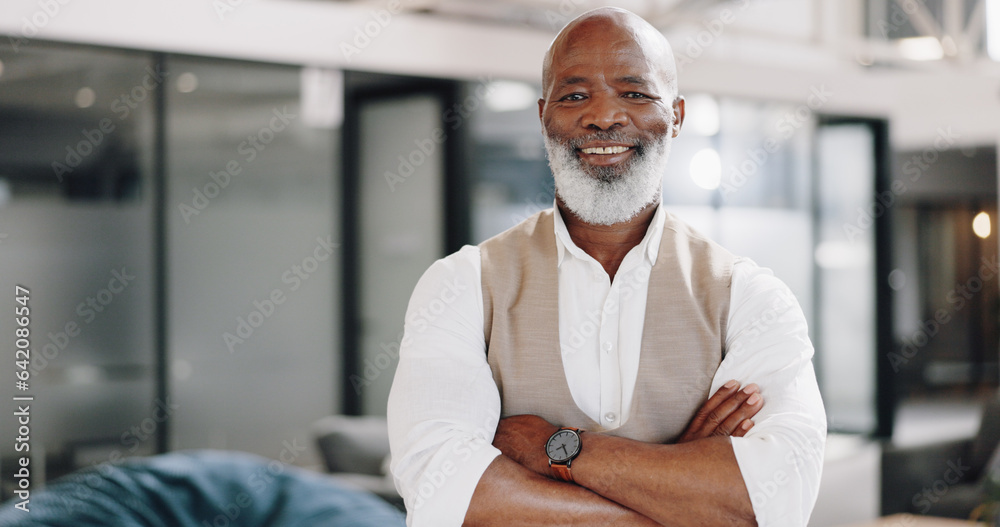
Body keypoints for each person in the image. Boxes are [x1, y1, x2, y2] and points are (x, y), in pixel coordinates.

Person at [387, 7, 826, 526]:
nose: (603, 116)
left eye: (635, 93)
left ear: (678, 116)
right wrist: (677, 496)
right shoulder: (462, 285)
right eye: (574, 95)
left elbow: (776, 500)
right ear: (543, 116)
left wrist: (556, 448)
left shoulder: (748, 297)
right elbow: (445, 494)